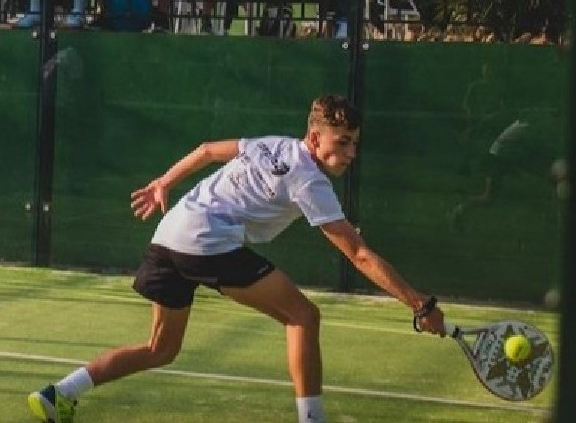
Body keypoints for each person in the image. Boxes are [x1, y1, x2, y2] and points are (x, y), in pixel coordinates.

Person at [27, 94, 445, 423]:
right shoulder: (310, 180)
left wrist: (164, 182)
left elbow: (208, 150)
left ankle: (59, 393)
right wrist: (419, 304)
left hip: (170, 234)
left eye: (354, 143)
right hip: (207, 240)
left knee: (161, 348)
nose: (351, 152)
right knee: (303, 316)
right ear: (315, 138)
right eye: (343, 142)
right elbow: (358, 254)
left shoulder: (273, 145)